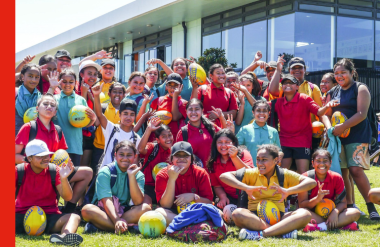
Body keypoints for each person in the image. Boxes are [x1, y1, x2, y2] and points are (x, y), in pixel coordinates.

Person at [219, 144, 317, 240]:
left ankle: (261, 233)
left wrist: (288, 191)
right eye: (258, 159)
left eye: (264, 160)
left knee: (305, 214)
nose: (260, 163)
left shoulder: (284, 173)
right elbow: (224, 176)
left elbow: (311, 182)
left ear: (275, 160)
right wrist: (245, 187)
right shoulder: (252, 172)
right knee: (237, 213)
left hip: (280, 218)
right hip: (255, 218)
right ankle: (281, 232)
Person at [324, 58, 380, 220]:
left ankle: (371, 207)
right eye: (337, 73)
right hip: (338, 137)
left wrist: (343, 127)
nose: (340, 76)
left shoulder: (360, 88)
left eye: (343, 73)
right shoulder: (333, 91)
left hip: (358, 135)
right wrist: (330, 129)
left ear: (352, 73)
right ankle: (349, 205)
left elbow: (361, 114)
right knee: (343, 172)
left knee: (355, 170)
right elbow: (326, 114)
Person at [16, 140, 83, 245]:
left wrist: (64, 178)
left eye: (47, 155)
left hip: (49, 216)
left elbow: (68, 197)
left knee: (75, 217)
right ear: (29, 158)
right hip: (21, 216)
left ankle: (64, 237)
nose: (46, 159)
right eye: (40, 157)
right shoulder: (18, 171)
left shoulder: (54, 170)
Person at [269, 74, 337, 174]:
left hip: (302, 141)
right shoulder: (278, 102)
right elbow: (259, 106)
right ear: (282, 87)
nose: (287, 85)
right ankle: (283, 190)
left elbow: (318, 112)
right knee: (282, 173)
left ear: (297, 87)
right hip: (284, 141)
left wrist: (327, 106)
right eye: (285, 83)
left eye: (291, 83)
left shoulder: (305, 98)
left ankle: (303, 190)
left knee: (303, 173)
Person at [81, 140, 151, 234]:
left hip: (125, 212)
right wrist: (117, 220)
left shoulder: (138, 175)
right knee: (87, 210)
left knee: (146, 208)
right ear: (115, 155)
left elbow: (138, 201)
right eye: (121, 154)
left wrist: (131, 176)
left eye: (129, 155)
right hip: (104, 211)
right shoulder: (106, 171)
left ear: (135, 157)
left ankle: (99, 226)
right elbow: (107, 201)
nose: (125, 158)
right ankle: (128, 228)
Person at [269, 56, 323, 153]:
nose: (296, 70)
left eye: (300, 68)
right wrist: (278, 70)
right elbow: (272, 91)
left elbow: (320, 112)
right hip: (285, 135)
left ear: (305, 69)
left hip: (307, 135)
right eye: (294, 68)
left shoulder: (312, 87)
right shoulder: (285, 86)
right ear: (289, 70)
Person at [299, 149, 361, 232]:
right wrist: (317, 199)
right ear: (313, 163)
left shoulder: (337, 177)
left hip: (332, 213)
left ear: (330, 163)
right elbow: (302, 205)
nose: (322, 164)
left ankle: (318, 227)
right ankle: (338, 225)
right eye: (318, 161)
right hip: (312, 213)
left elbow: (343, 203)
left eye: (325, 161)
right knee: (301, 213)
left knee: (355, 212)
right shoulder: (305, 177)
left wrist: (335, 212)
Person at [155, 141, 214, 226]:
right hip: (173, 212)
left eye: (186, 156)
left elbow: (208, 202)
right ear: (172, 159)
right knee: (159, 212)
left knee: (218, 213)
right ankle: (193, 225)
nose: (181, 158)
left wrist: (193, 197)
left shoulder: (201, 173)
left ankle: (183, 225)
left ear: (191, 159)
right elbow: (165, 205)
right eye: (177, 155)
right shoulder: (162, 174)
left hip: (196, 212)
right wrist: (172, 179)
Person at [53, 69, 97, 167]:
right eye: (64, 81)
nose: (67, 84)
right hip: (57, 147)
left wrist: (93, 119)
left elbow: (86, 124)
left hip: (75, 146)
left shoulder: (81, 100)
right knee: (58, 177)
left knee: (73, 176)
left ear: (76, 83)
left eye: (71, 82)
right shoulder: (54, 99)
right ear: (59, 82)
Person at [92, 83, 141, 168]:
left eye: (132, 114)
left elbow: (135, 161)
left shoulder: (136, 138)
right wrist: (96, 95)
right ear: (119, 115)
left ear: (135, 116)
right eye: (125, 114)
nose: (128, 117)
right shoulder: (111, 128)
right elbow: (99, 115)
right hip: (106, 175)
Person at [207, 129, 254, 209]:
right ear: (215, 144)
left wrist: (234, 157)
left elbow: (250, 174)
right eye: (220, 142)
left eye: (227, 142)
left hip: (249, 195)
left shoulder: (243, 153)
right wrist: (223, 197)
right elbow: (217, 186)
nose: (223, 145)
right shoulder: (213, 162)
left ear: (234, 143)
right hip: (230, 197)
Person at [176, 98, 231, 166]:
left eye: (197, 109)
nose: (193, 112)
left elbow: (225, 136)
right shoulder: (183, 132)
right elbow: (178, 157)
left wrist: (221, 117)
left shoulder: (210, 126)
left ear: (202, 111)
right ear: (186, 111)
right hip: (196, 174)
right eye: (190, 109)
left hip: (213, 172)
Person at [91, 83, 126, 176]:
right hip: (100, 148)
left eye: (120, 92)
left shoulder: (126, 111)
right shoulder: (103, 107)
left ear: (124, 95)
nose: (117, 94)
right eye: (114, 91)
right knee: (97, 174)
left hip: (117, 150)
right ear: (109, 94)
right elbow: (97, 123)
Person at [137, 119, 173, 206]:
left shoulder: (174, 152)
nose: (168, 139)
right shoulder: (153, 147)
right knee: (146, 207)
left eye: (170, 135)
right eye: (164, 136)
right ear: (158, 140)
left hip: (164, 186)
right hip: (148, 186)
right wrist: (149, 129)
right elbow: (141, 149)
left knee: (163, 209)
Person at [191, 64, 238, 128]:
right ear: (211, 76)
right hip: (204, 128)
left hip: (223, 130)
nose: (221, 75)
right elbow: (192, 106)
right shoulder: (202, 89)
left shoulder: (229, 92)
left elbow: (234, 113)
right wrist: (194, 87)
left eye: (223, 73)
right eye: (218, 73)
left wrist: (219, 115)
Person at [236, 100, 281, 166]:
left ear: (269, 113)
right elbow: (236, 148)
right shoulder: (244, 129)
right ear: (253, 112)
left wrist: (280, 155)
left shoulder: (273, 131)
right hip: (249, 170)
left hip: (268, 170)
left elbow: (279, 151)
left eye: (265, 111)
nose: (261, 113)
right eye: (258, 110)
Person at [77, 60, 103, 168]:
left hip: (89, 134)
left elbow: (97, 116)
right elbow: (80, 112)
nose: (92, 77)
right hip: (77, 134)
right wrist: (83, 92)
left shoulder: (94, 90)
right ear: (81, 74)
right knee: (75, 167)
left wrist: (92, 96)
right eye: (89, 73)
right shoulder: (74, 88)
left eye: (95, 74)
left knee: (84, 167)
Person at [150, 73, 188, 139]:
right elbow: (150, 120)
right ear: (166, 86)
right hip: (157, 138)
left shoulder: (184, 103)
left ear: (181, 86)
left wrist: (175, 96)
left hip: (174, 138)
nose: (172, 88)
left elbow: (175, 117)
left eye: (175, 85)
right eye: (170, 85)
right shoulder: (158, 100)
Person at [15, 64, 42, 136]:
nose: (34, 80)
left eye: (37, 77)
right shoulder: (15, 93)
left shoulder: (40, 98)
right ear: (22, 77)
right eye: (30, 76)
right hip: (16, 137)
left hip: (34, 136)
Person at [125, 72, 153, 136]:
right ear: (129, 82)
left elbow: (139, 121)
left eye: (141, 83)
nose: (138, 85)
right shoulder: (125, 97)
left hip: (136, 135)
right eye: (135, 82)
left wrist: (144, 104)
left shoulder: (143, 100)